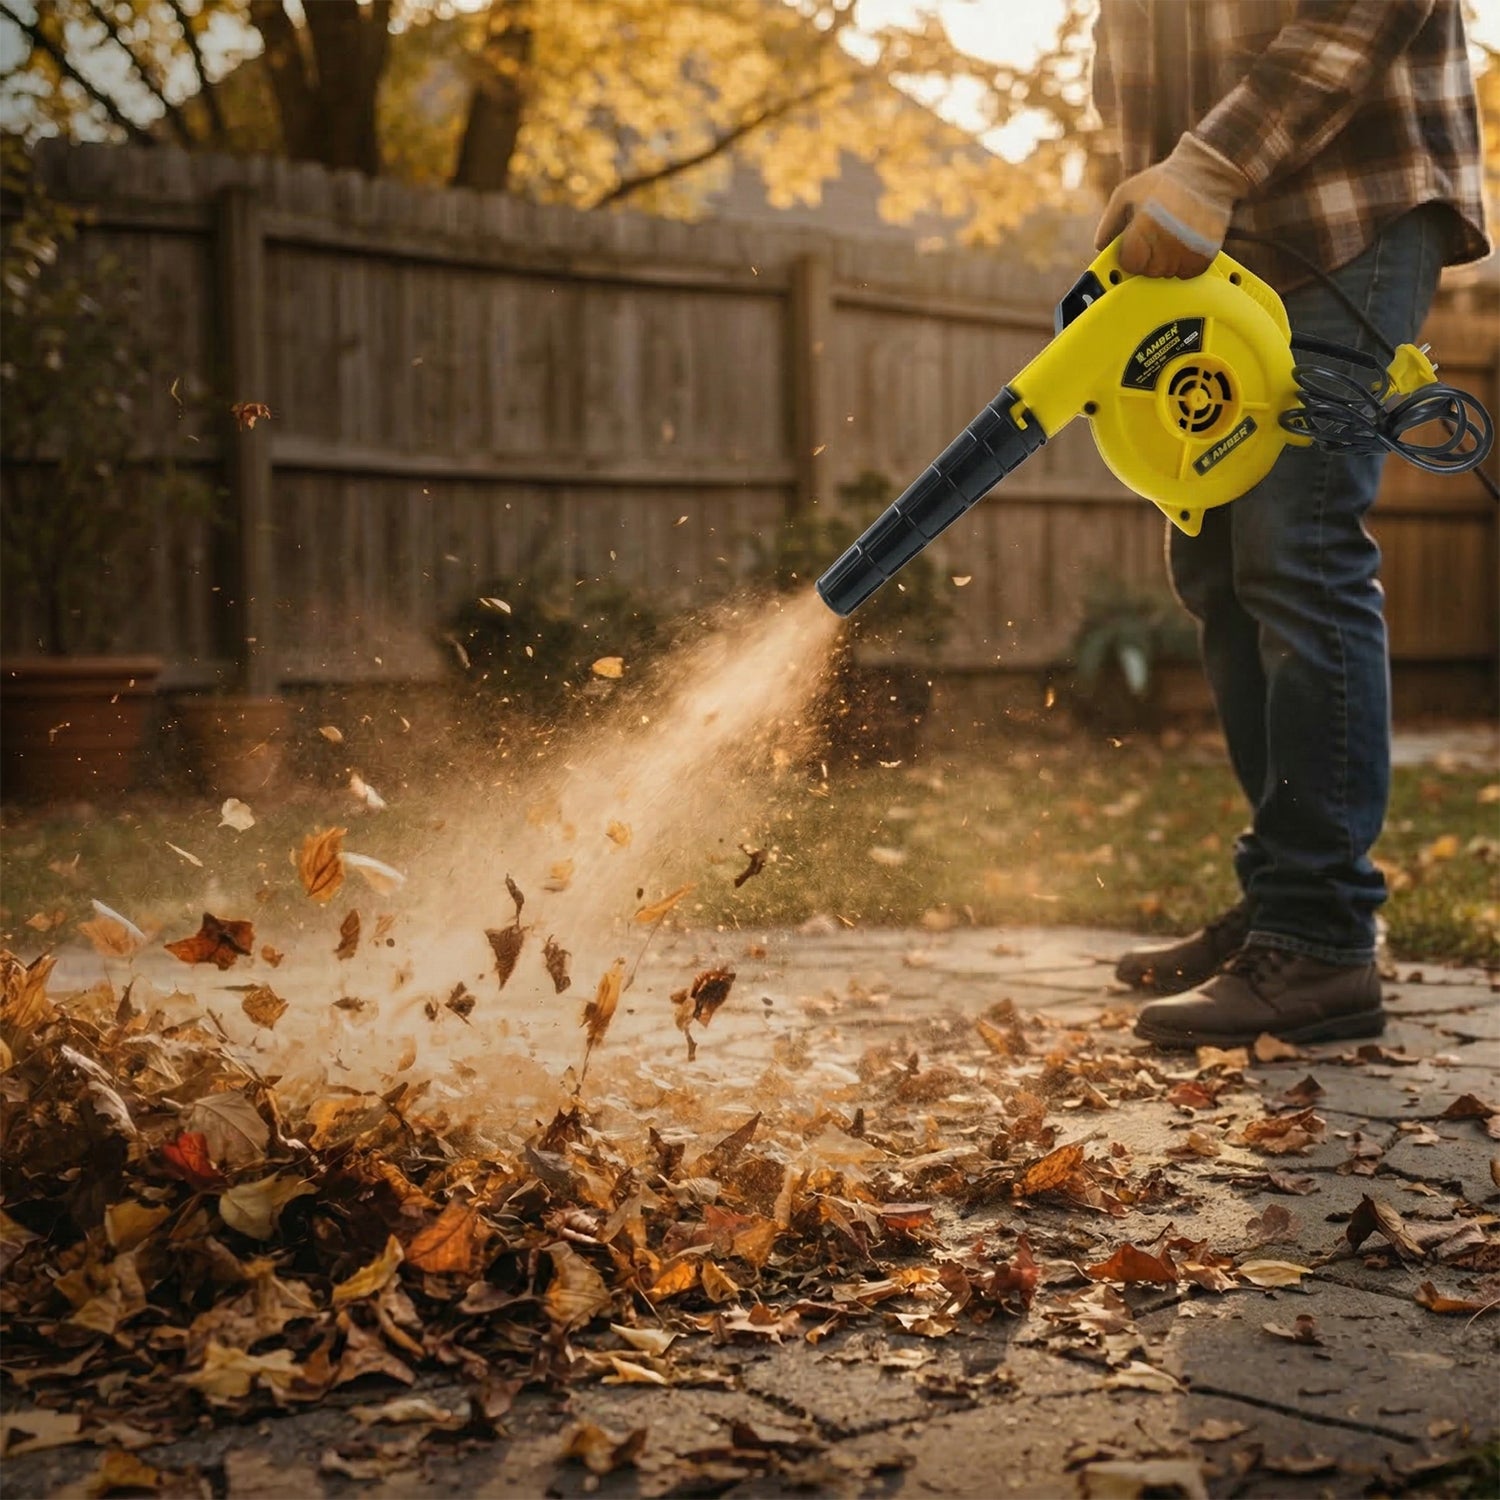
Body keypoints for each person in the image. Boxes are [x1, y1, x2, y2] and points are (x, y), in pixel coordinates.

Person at [1089, 0, 1490, 1048]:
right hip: (1208, 230)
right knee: (1214, 563)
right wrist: (1141, 199)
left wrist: (1211, 165)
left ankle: (1322, 937)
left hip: (1344, 209)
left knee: (1296, 548)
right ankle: (1284, 900)